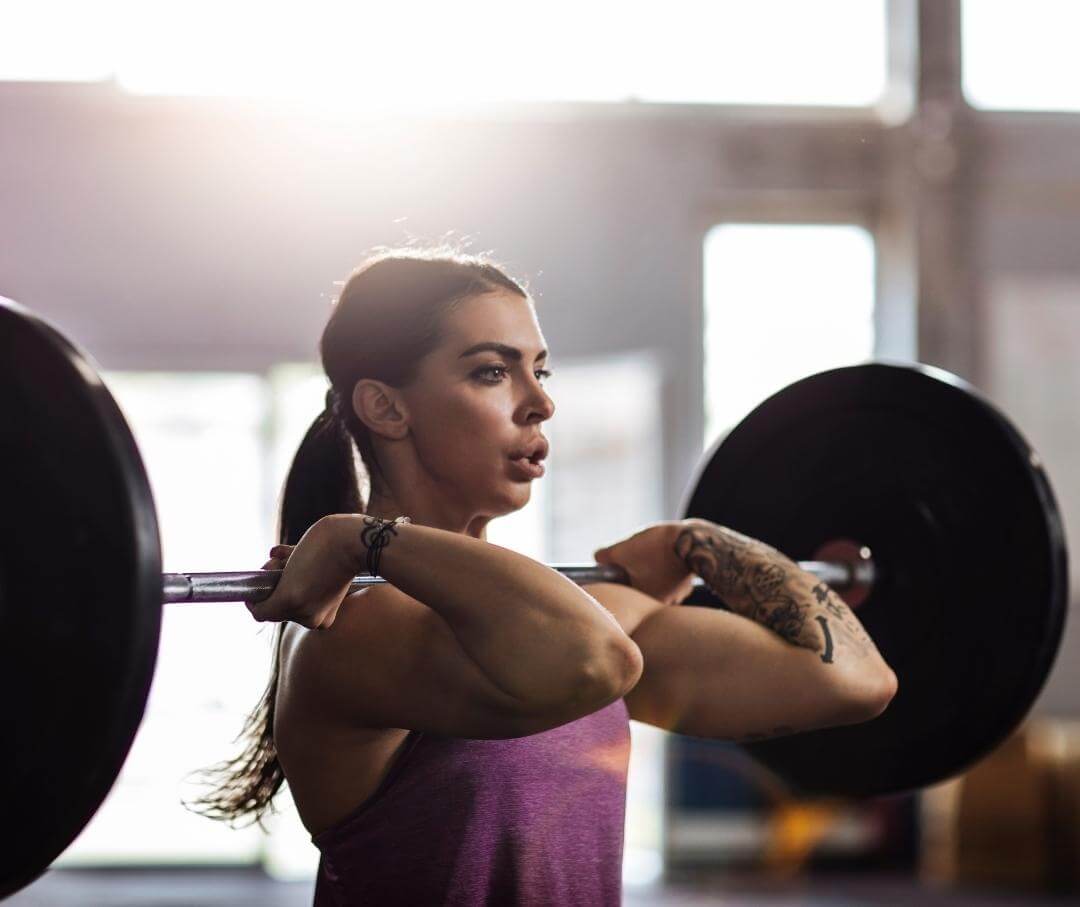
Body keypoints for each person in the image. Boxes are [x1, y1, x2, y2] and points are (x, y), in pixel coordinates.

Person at [189, 245, 897, 906]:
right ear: (386, 406)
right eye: (492, 371)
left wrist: (702, 542)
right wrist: (359, 541)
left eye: (540, 369)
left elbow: (854, 680)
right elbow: (596, 661)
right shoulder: (356, 630)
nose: (540, 401)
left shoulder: (572, 614)